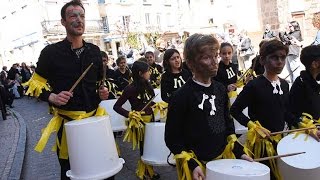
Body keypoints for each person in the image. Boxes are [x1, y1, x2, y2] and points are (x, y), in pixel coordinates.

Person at [22, 1, 110, 179]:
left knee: (102, 170)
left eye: (82, 16)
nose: (79, 20)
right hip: (69, 126)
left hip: (95, 121)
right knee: (72, 173)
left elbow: (100, 83)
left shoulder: (94, 51)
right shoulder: (50, 53)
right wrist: (51, 96)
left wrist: (102, 92)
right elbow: (33, 87)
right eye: (73, 16)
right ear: (63, 22)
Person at [165, 34, 252, 180]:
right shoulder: (181, 96)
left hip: (222, 162)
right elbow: (172, 138)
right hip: (197, 167)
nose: (214, 62)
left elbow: (227, 125)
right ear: (191, 63)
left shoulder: (220, 89)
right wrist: (192, 164)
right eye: (206, 58)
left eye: (216, 56)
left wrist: (239, 151)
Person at [230, 39, 302, 180]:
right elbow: (235, 110)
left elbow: (285, 112)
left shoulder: (284, 85)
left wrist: (302, 124)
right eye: (274, 57)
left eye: (282, 57)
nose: (280, 61)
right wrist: (253, 126)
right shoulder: (254, 86)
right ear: (262, 60)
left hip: (280, 141)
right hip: (260, 145)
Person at [113, 61, 160, 180]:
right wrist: (130, 114)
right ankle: (145, 172)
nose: (149, 73)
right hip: (140, 123)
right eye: (147, 71)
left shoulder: (148, 85)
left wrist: (158, 105)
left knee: (151, 146)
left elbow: (148, 101)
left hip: (151, 121)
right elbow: (116, 106)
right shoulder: (130, 89)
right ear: (140, 73)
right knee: (144, 147)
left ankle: (150, 171)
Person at [289, 45, 320, 122]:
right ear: (315, 64)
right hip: (308, 131)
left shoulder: (315, 81)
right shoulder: (301, 84)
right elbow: (293, 114)